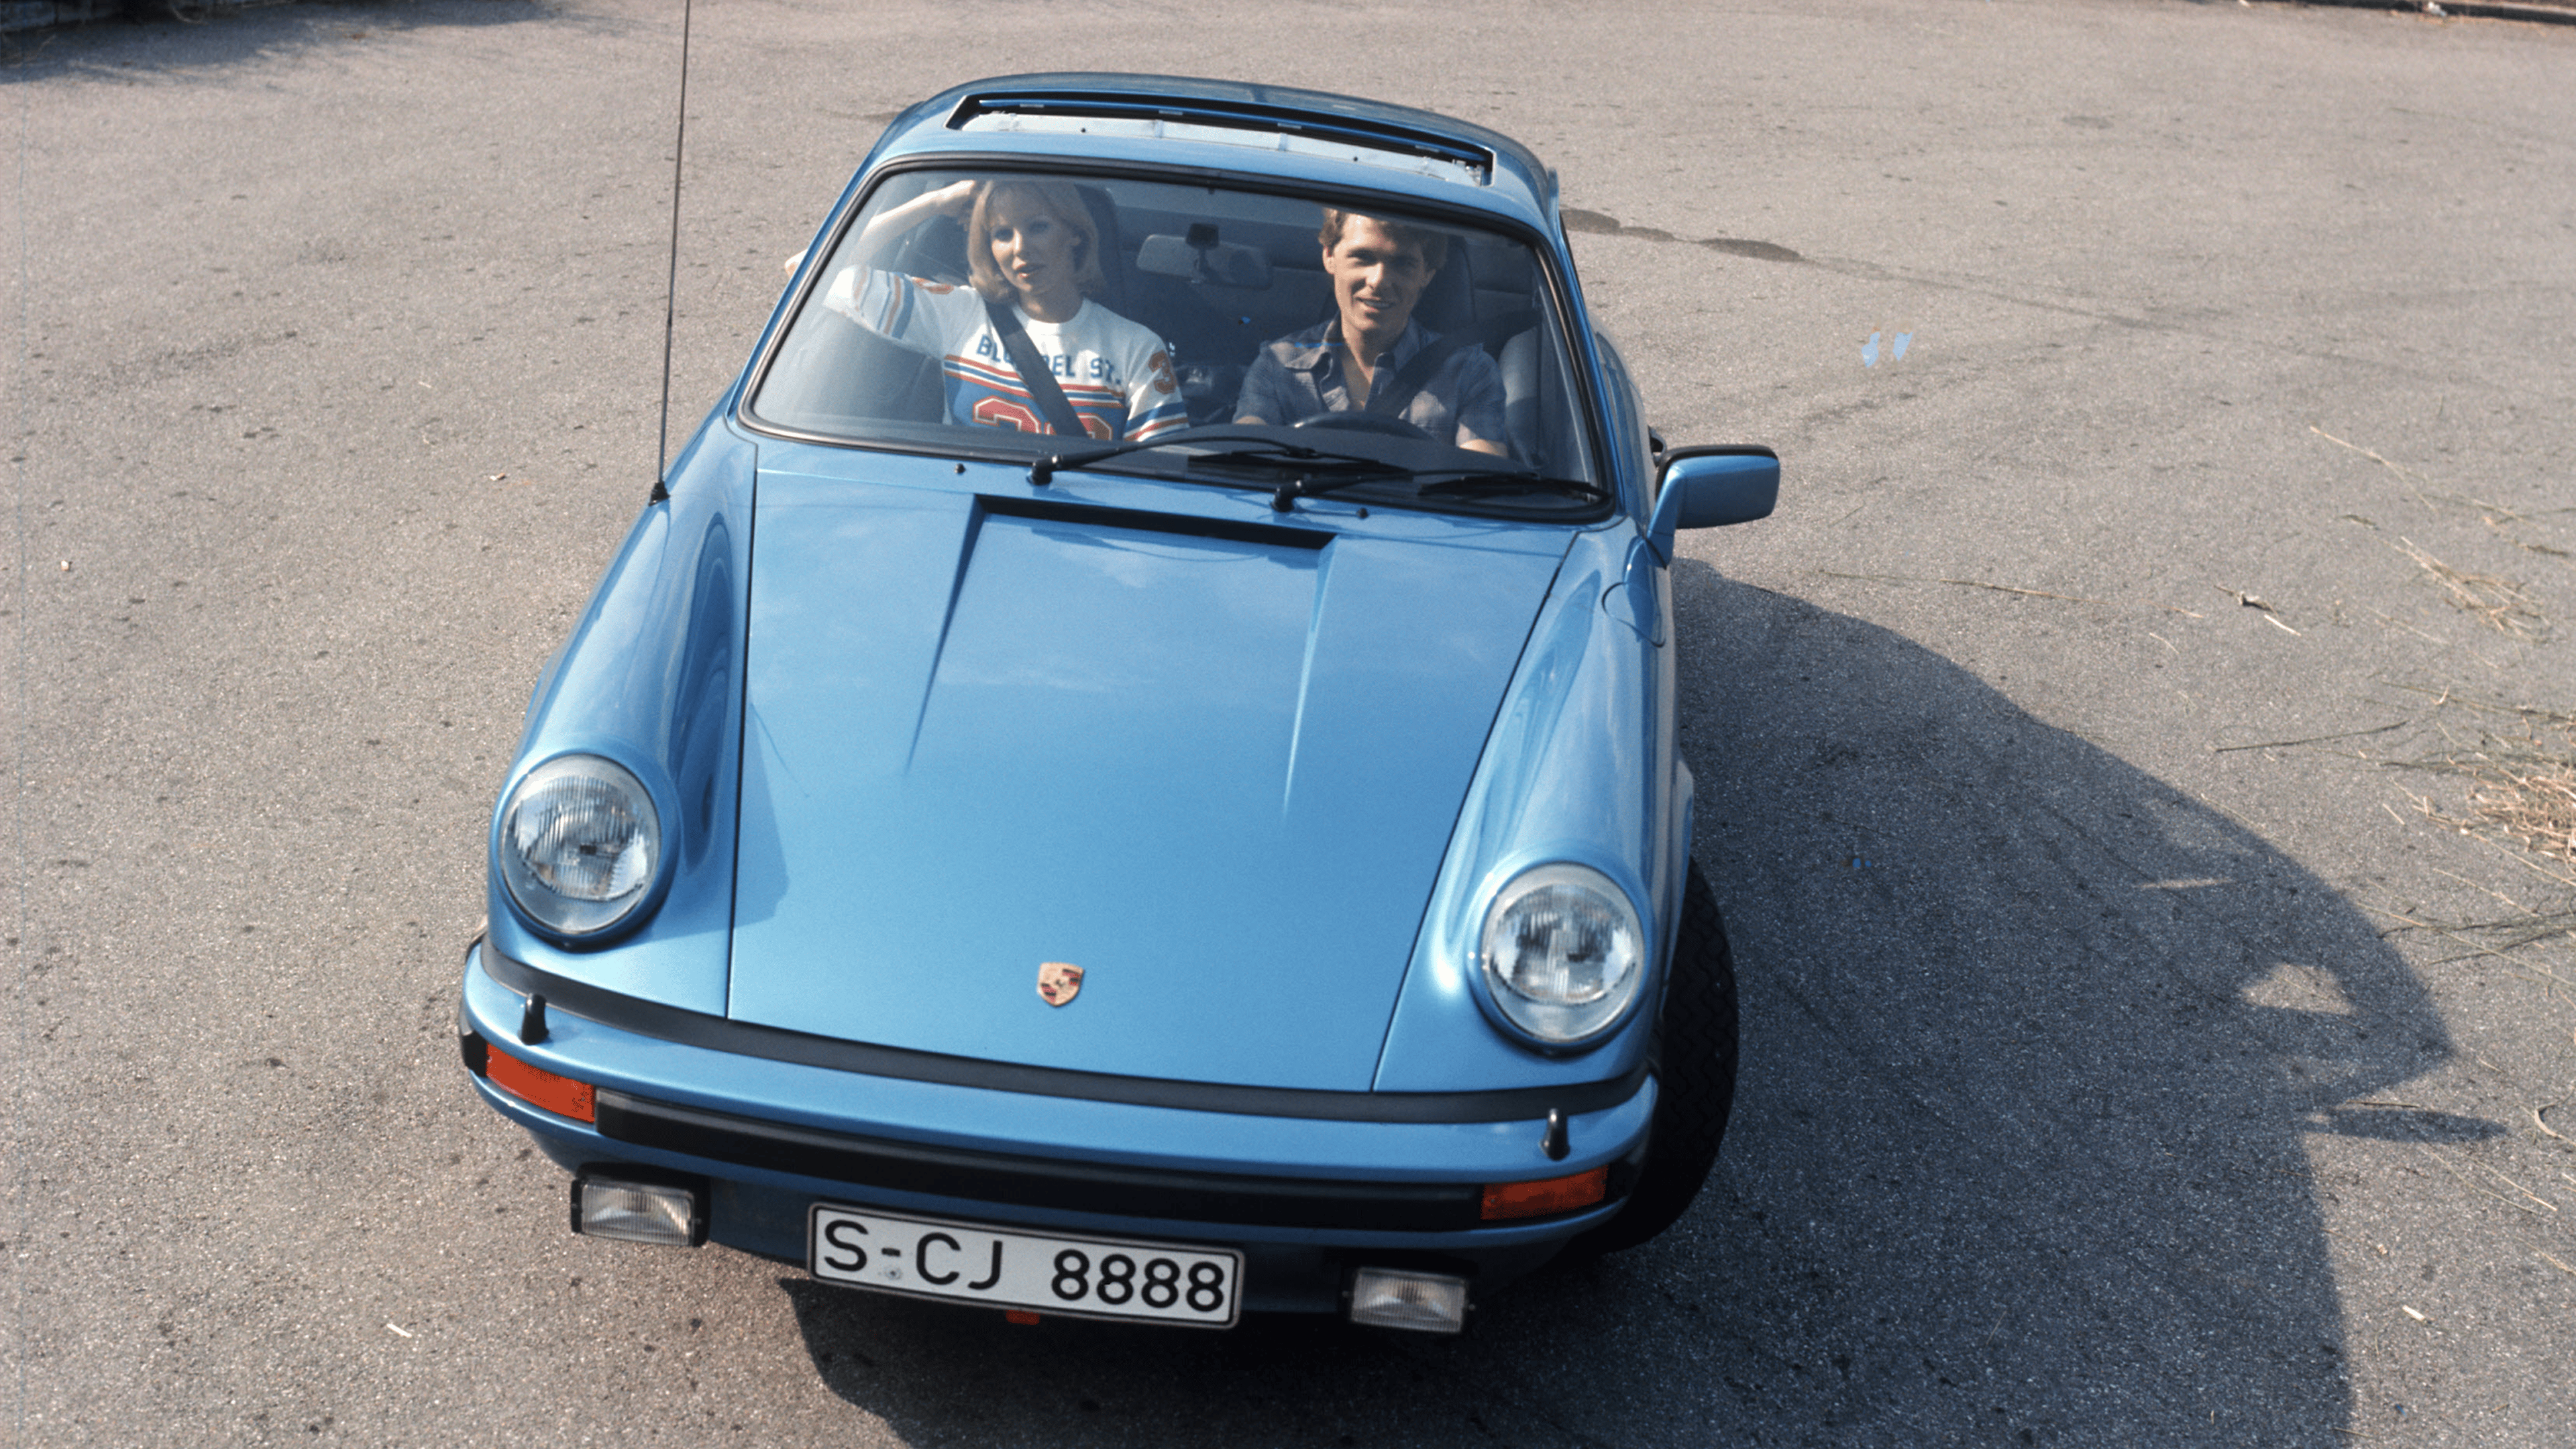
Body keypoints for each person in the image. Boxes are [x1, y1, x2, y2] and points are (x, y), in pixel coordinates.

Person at [821, 177, 1187, 443]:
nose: (1020, 248)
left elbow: (1161, 484)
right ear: (988, 246)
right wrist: (934, 202)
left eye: (1038, 227)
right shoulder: (958, 313)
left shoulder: (1137, 348)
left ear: (1074, 233)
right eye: (1002, 234)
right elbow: (810, 271)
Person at [1234, 209, 1505, 455]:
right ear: (1329, 257)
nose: (1379, 281)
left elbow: (1483, 481)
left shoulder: (1469, 373)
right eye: (1363, 258)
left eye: (1402, 264)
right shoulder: (1277, 366)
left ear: (1428, 274)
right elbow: (1245, 463)